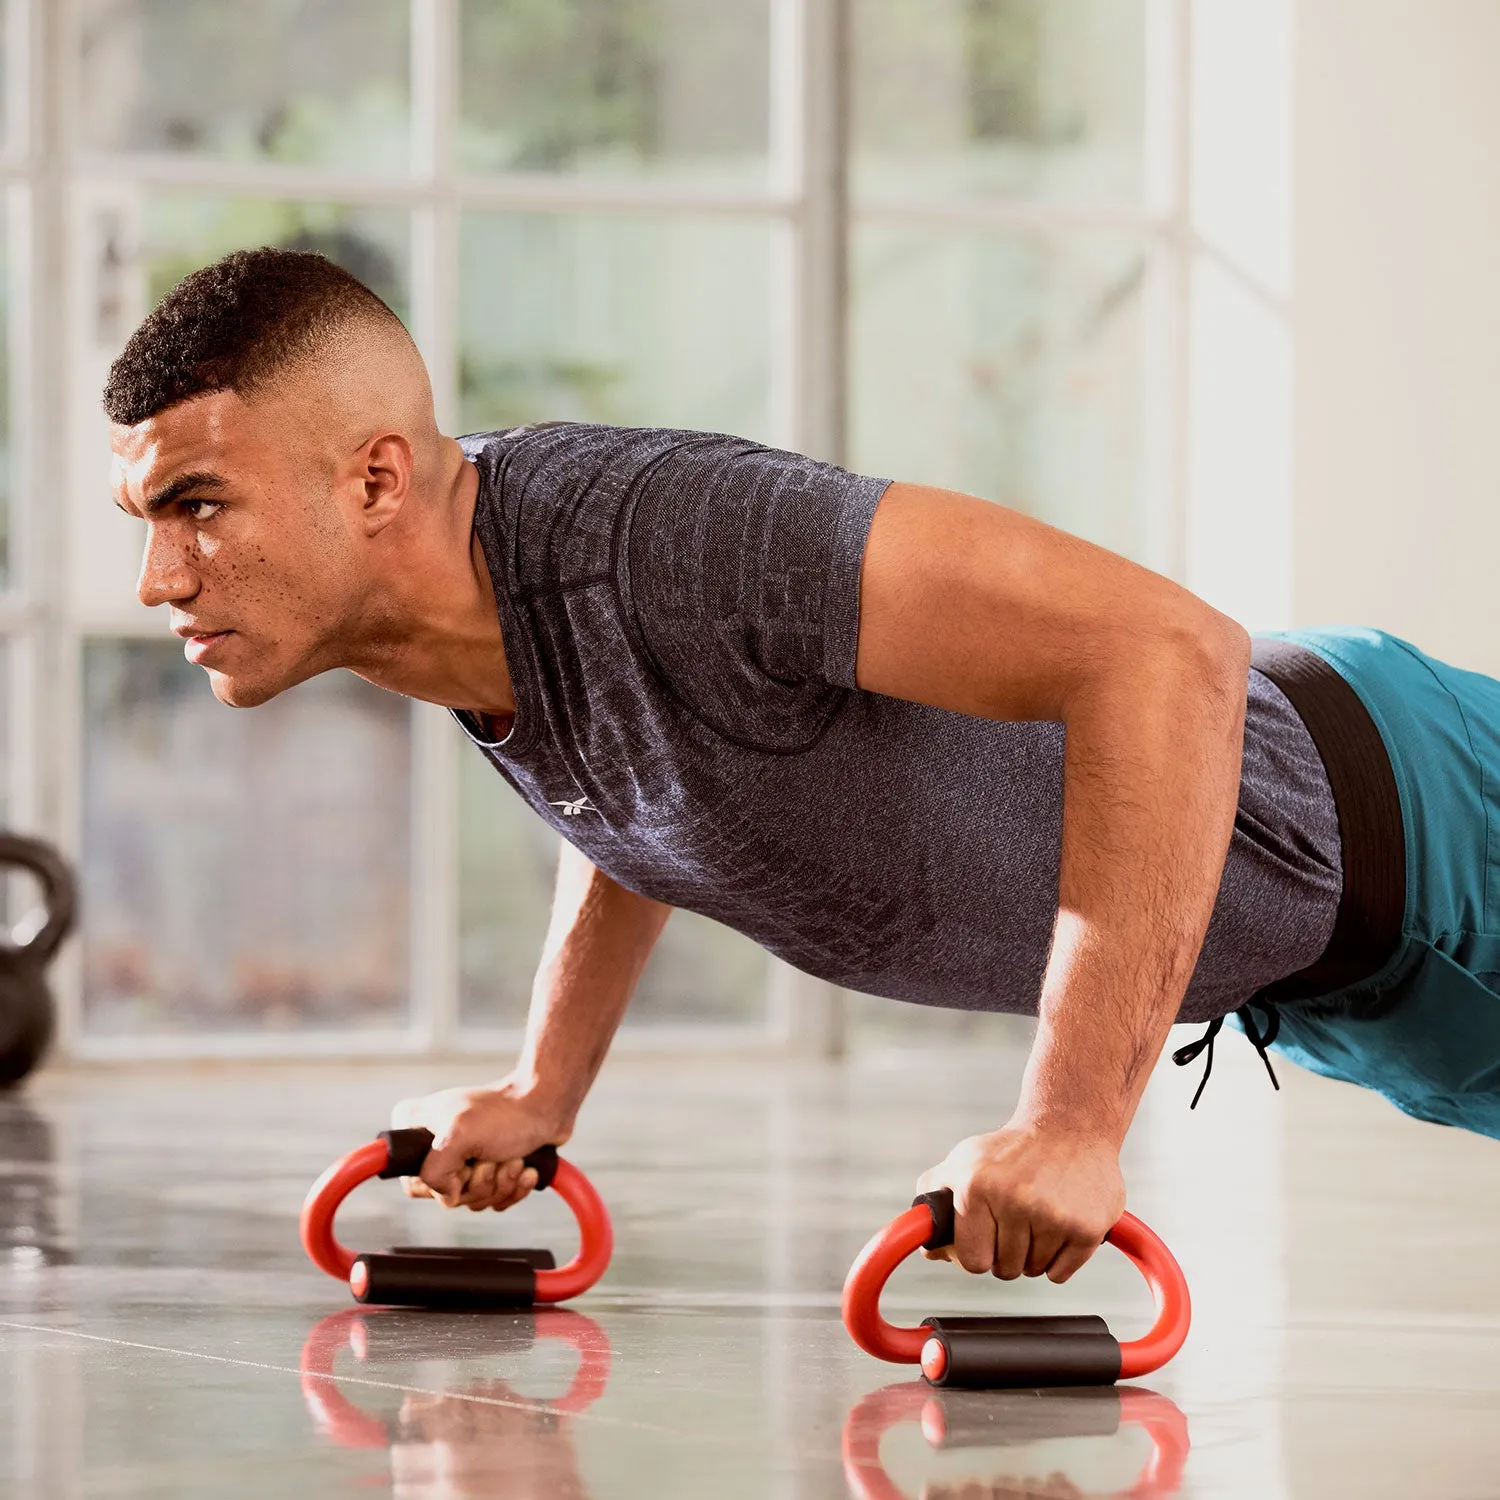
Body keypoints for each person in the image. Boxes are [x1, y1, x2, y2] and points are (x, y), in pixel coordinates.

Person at [104, 248, 1499, 1289]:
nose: (159, 576)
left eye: (199, 507)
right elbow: (631, 784)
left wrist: (1070, 1125)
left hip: (1429, 831)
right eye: (146, 515)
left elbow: (1164, 651)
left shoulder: (669, 534)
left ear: (374, 481)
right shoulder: (478, 618)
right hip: (1339, 972)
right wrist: (544, 1090)